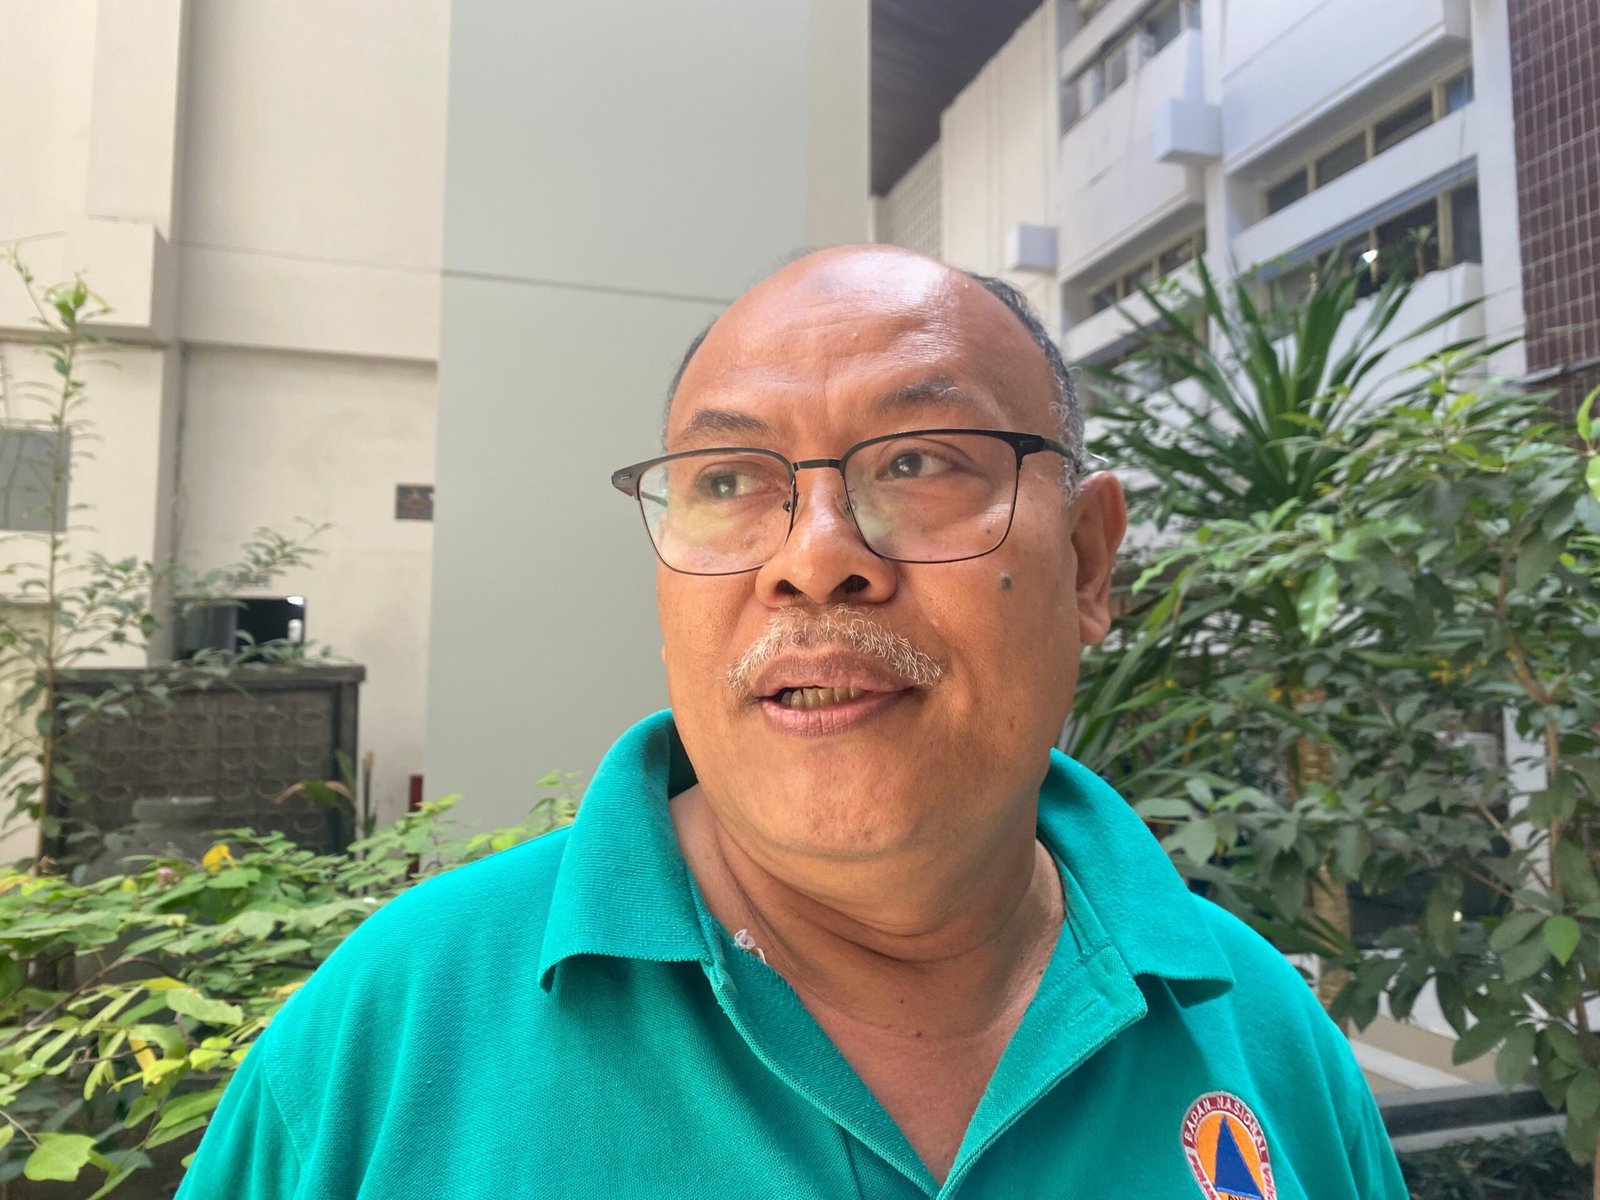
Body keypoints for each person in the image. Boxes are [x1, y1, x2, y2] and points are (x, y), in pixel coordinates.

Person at [177, 246, 1406, 1198]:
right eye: (727, 482)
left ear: (1087, 562)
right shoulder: (397, 1029)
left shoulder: (1260, 1035)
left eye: (919, 461)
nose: (814, 559)